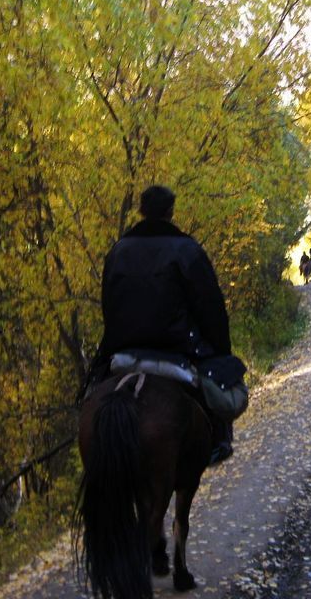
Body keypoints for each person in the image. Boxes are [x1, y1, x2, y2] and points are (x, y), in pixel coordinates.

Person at [93, 185, 236, 464]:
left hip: (123, 348)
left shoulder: (118, 251)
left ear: (141, 211)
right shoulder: (188, 250)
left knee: (91, 394)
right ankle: (219, 440)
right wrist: (221, 351)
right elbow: (211, 308)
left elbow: (108, 304)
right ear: (171, 211)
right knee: (213, 396)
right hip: (178, 348)